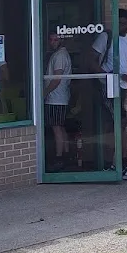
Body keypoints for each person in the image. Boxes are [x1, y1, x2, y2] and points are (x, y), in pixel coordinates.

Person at [91, 8, 127, 180]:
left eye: (125, 23)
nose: (122, 26)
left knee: (114, 126)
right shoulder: (105, 37)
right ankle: (122, 164)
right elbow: (91, 60)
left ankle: (109, 164)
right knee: (120, 122)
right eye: (119, 22)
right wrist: (105, 77)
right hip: (107, 87)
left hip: (121, 87)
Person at [44, 29, 74, 168]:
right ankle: (66, 155)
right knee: (60, 127)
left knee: (56, 128)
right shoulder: (61, 54)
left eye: (55, 39)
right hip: (61, 97)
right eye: (50, 39)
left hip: (56, 98)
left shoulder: (60, 56)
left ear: (61, 40)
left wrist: (44, 92)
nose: (52, 42)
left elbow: (56, 79)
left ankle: (59, 157)